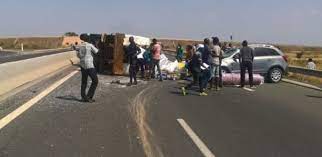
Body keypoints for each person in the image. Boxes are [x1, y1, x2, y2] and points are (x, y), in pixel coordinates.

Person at [75, 34, 99, 103]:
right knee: (95, 81)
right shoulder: (90, 45)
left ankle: (83, 97)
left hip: (82, 65)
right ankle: (89, 97)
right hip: (89, 65)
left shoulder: (80, 46)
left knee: (84, 82)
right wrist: (96, 45)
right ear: (87, 39)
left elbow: (78, 56)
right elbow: (97, 51)